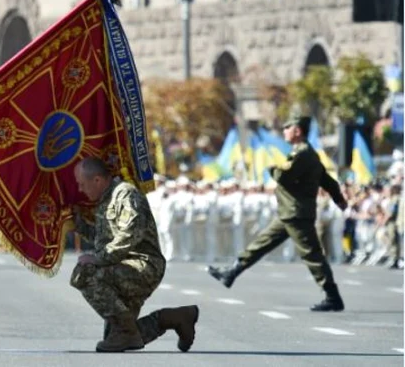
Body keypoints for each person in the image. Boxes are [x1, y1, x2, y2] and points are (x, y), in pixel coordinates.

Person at [207, 115, 349, 312]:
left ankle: (332, 296)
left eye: (287, 128)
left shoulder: (303, 154)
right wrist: (339, 199)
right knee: (261, 243)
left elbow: (285, 176)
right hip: (289, 213)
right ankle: (231, 272)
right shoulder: (308, 154)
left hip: (296, 214)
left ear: (297, 131)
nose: (284, 132)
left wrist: (272, 169)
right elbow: (327, 181)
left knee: (312, 255)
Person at [70, 157, 199, 353]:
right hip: (123, 265)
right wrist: (77, 225)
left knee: (85, 273)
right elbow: (104, 237)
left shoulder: (125, 195)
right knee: (120, 335)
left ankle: (125, 331)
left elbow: (130, 234)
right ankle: (176, 317)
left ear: (97, 180)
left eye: (82, 184)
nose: (80, 189)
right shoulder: (106, 199)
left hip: (143, 265)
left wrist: (99, 259)